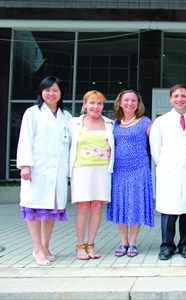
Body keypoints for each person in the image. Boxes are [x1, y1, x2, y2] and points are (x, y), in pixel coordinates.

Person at [16, 76, 72, 266]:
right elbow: (25, 139)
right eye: (47, 90)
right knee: (35, 209)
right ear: (41, 92)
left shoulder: (66, 116)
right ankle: (37, 248)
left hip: (57, 172)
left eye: (55, 90)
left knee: (51, 210)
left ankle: (46, 246)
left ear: (61, 93)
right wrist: (25, 165)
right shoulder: (32, 113)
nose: (51, 93)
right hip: (36, 170)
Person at [149, 84, 186, 261]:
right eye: (176, 96)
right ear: (171, 99)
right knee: (169, 211)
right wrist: (167, 164)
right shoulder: (161, 122)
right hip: (169, 172)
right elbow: (155, 150)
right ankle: (167, 246)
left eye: (184, 96)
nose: (180, 99)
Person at [106, 89, 154, 257]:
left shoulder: (145, 122)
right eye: (126, 100)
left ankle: (132, 242)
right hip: (118, 170)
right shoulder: (114, 124)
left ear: (138, 104)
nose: (130, 103)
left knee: (135, 204)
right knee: (120, 205)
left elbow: (159, 136)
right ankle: (123, 242)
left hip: (139, 169)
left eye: (133, 100)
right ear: (120, 103)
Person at [69, 90, 115, 260]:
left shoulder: (110, 123)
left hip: (102, 170)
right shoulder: (74, 123)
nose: (96, 106)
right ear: (85, 104)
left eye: (99, 103)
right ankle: (80, 245)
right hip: (81, 169)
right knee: (83, 206)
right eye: (92, 103)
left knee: (96, 206)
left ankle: (91, 244)